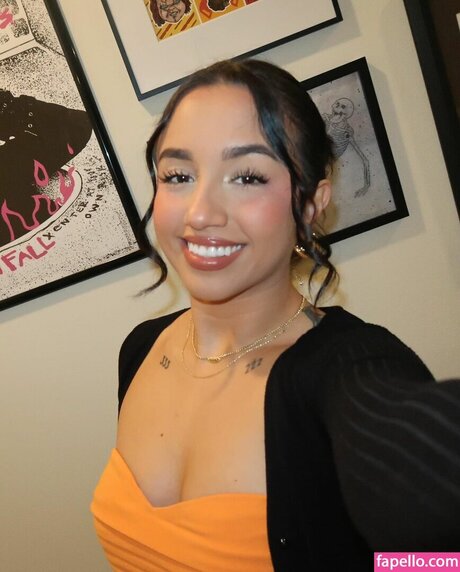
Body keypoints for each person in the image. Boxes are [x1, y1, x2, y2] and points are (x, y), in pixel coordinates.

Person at [91, 59, 460, 571]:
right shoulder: (140, 349)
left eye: (247, 176)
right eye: (178, 175)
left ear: (310, 205)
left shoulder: (346, 367)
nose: (201, 213)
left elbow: (437, 546)